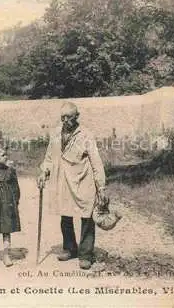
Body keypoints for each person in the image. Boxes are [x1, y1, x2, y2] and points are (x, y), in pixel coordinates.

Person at [37, 102, 107, 270]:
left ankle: (85, 254)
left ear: (77, 116)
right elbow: (49, 158)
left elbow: (96, 162)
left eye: (69, 117)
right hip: (62, 181)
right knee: (65, 216)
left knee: (87, 217)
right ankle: (70, 248)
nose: (65, 120)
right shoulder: (55, 134)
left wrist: (101, 186)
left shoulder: (86, 135)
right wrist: (43, 172)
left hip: (83, 180)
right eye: (62, 117)